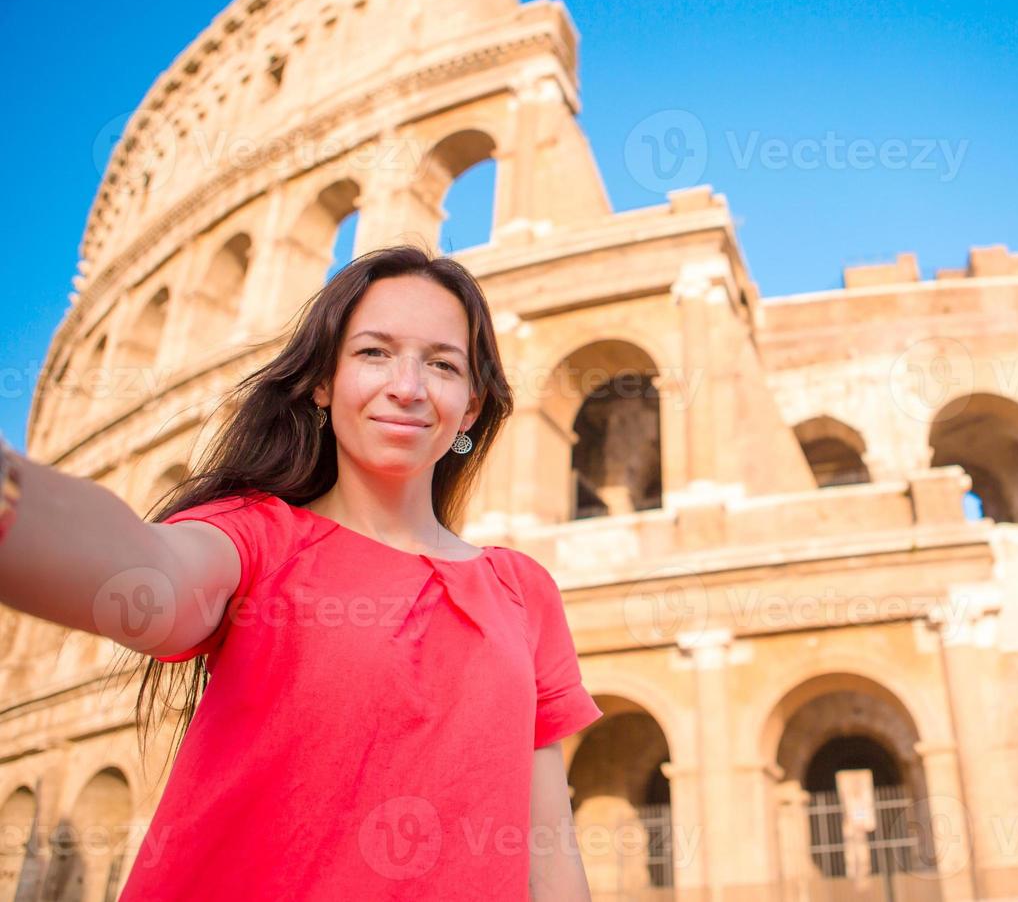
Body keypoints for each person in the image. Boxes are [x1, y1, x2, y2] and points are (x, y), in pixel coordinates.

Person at [0, 245, 603, 900]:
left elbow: (548, 849)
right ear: (323, 383)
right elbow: (146, 572)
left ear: (472, 407)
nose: (408, 386)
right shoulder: (256, 537)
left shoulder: (523, 590)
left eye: (442, 364)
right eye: (373, 353)